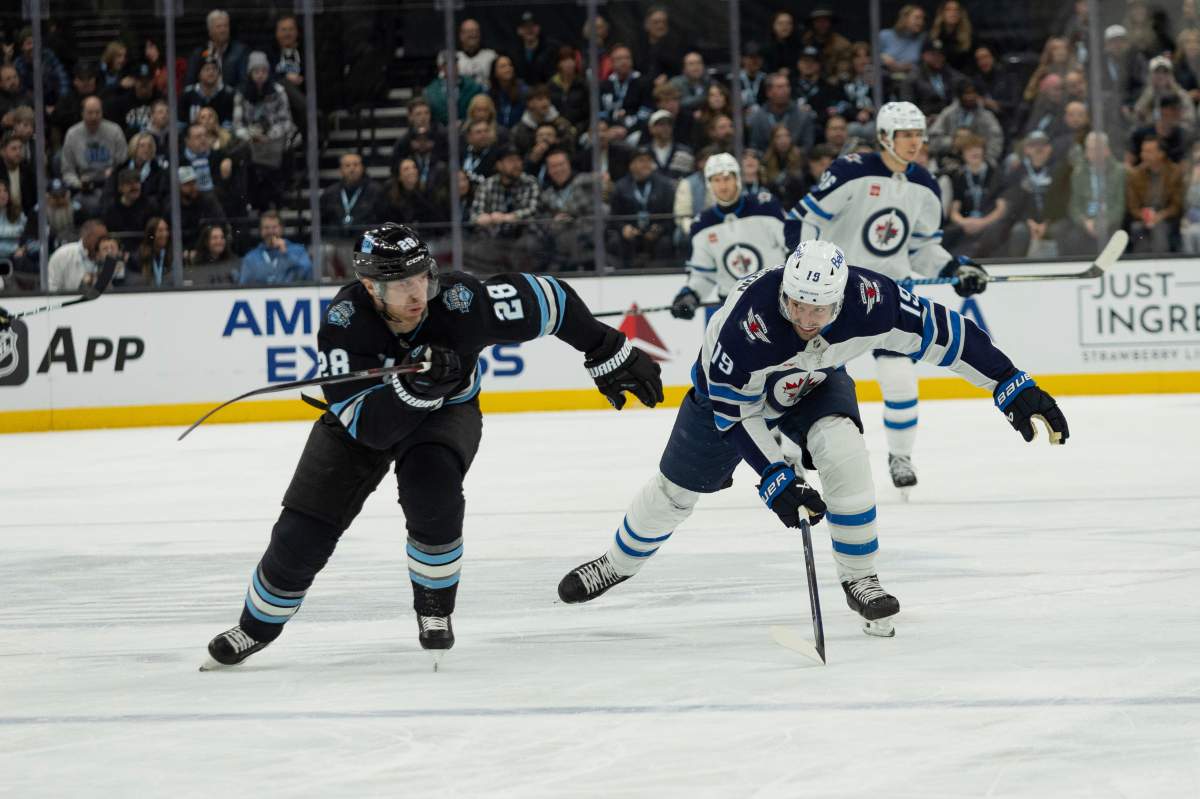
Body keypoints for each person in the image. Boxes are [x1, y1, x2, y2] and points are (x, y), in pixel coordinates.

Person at [201, 222, 664, 669]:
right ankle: (258, 626)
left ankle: (434, 606)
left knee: (434, 495)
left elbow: (554, 300)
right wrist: (412, 391)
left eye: (421, 276)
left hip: (445, 413)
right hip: (363, 421)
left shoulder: (463, 301)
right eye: (400, 283)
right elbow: (369, 430)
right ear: (368, 286)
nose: (417, 293)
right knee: (302, 531)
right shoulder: (344, 324)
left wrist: (606, 348)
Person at [558, 237, 1069, 642]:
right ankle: (617, 564)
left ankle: (860, 580)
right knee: (673, 494)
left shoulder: (874, 301)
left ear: (840, 300)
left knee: (843, 449)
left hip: (815, 384)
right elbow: (734, 416)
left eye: (818, 311)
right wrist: (776, 478)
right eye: (797, 305)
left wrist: (1008, 381)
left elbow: (946, 333)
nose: (805, 319)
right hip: (730, 404)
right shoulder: (745, 324)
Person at [789, 101, 989, 493]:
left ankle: (900, 456)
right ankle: (791, 458)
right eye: (906, 134)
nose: (915, 142)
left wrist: (954, 269)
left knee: (900, 380)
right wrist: (802, 273)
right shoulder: (851, 171)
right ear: (885, 137)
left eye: (919, 134)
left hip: (888, 298)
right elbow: (804, 218)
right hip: (836, 298)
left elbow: (922, 250)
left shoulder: (926, 186)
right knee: (804, 376)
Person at [670, 153, 793, 321]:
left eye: (727, 178)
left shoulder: (766, 207)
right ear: (709, 184)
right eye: (716, 180)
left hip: (777, 299)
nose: (723, 186)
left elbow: (794, 246)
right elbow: (703, 274)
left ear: (737, 179)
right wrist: (690, 296)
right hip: (734, 307)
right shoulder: (702, 224)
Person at [608, 146, 675, 269]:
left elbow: (671, 216)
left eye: (648, 161)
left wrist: (660, 228)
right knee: (616, 241)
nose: (646, 164)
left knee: (666, 243)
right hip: (631, 236)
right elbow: (613, 217)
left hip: (656, 236)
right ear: (631, 165)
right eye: (641, 161)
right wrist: (624, 228)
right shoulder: (620, 187)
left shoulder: (664, 185)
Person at [61, 96, 128, 218]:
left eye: (97, 112)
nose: (94, 117)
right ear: (82, 114)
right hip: (84, 187)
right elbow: (67, 170)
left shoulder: (115, 131)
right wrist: (78, 183)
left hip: (111, 185)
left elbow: (124, 163)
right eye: (90, 113)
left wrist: (114, 173)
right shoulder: (72, 134)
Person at [1126, 135, 1184, 253]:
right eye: (1143, 151)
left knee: (1160, 229)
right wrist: (1144, 215)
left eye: (1149, 152)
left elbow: (1177, 205)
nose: (1144, 155)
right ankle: (1141, 264)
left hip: (1167, 219)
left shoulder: (1175, 173)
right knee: (1137, 229)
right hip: (1142, 219)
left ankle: (1161, 263)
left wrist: (1161, 215)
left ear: (1161, 154)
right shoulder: (1135, 175)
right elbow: (1132, 206)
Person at [747, 74, 817, 153]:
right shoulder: (757, 117)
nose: (785, 90)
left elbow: (808, 146)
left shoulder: (803, 116)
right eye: (780, 87)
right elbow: (754, 146)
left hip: (796, 162)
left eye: (787, 86)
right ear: (768, 92)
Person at [239, 211, 312, 285]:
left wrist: (286, 254)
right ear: (261, 231)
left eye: (274, 227)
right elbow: (243, 286)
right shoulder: (251, 258)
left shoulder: (298, 251)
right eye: (266, 228)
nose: (270, 231)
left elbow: (308, 274)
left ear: (281, 229)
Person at [186, 9, 250, 89]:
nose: (223, 30)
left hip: (232, 98)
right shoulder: (198, 54)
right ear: (210, 30)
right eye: (218, 27)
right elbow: (190, 84)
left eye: (225, 26)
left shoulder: (240, 51)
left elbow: (244, 83)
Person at [47, 219, 107, 293]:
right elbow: (52, 288)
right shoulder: (62, 255)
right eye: (100, 238)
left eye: (105, 238)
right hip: (69, 301)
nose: (103, 242)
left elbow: (116, 289)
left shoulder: (108, 256)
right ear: (87, 237)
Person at [455, 18, 497, 87]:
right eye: (469, 31)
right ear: (461, 35)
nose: (473, 34)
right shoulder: (453, 58)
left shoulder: (491, 56)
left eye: (476, 31)